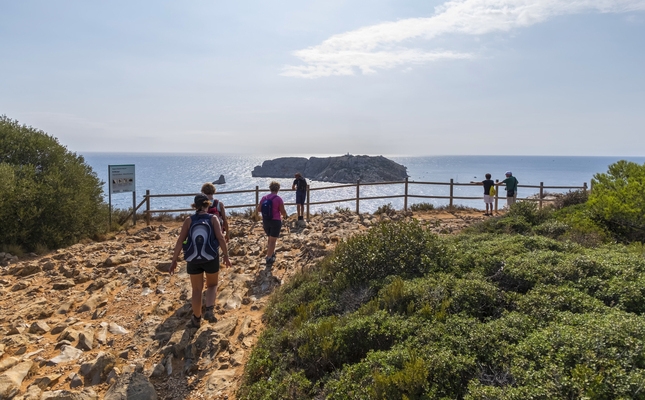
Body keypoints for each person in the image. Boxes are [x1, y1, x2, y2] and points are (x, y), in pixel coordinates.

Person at [170, 194, 231, 329]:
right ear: (207, 204)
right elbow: (220, 238)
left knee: (196, 289)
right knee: (212, 285)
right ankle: (209, 309)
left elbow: (180, 241)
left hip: (193, 259)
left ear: (195, 206)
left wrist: (174, 260)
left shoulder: (188, 220)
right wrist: (226, 255)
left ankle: (196, 319)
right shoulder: (213, 218)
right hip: (211, 257)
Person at [257, 181, 288, 268]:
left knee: (270, 238)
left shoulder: (264, 198)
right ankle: (269, 258)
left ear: (270, 188)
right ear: (278, 189)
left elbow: (259, 209)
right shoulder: (278, 199)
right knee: (273, 240)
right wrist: (285, 216)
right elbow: (282, 211)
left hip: (266, 221)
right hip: (275, 221)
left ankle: (270, 252)